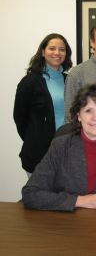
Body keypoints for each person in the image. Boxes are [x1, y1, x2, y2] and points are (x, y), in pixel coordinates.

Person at [22, 84, 96, 211]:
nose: (95, 117)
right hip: (67, 222)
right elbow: (31, 193)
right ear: (78, 116)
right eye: (88, 110)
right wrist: (78, 201)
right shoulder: (60, 146)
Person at [14, 33, 73, 178]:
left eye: (62, 49)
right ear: (43, 52)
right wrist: (35, 139)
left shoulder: (70, 80)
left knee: (64, 197)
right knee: (39, 197)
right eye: (52, 48)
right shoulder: (30, 82)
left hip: (67, 150)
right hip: (39, 154)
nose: (57, 53)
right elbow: (20, 118)